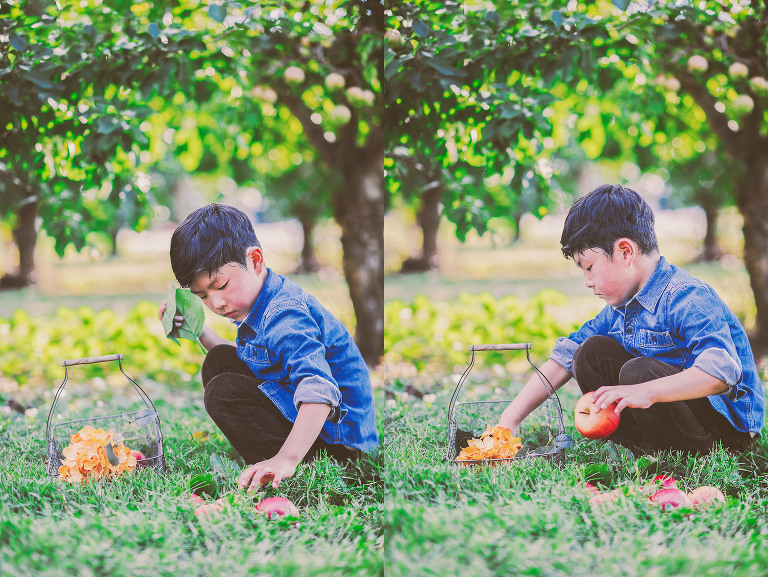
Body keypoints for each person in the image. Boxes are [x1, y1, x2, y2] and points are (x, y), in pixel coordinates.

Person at [497, 184, 765, 455]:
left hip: (725, 430)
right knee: (588, 353)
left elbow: (720, 373)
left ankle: (690, 452)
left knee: (638, 374)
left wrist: (647, 390)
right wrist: (510, 419)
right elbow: (565, 356)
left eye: (590, 268)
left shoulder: (686, 296)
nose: (588, 282)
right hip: (672, 414)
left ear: (626, 252)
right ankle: (650, 447)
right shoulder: (621, 309)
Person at [159, 204, 379, 490]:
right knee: (218, 360)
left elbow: (320, 389)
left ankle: (288, 462)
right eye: (202, 296)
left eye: (221, 285)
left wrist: (286, 459)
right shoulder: (257, 300)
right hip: (313, 420)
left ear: (255, 260)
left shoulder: (284, 315)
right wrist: (198, 330)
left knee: (222, 392)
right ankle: (276, 453)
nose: (216, 303)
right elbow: (254, 360)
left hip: (339, 444)